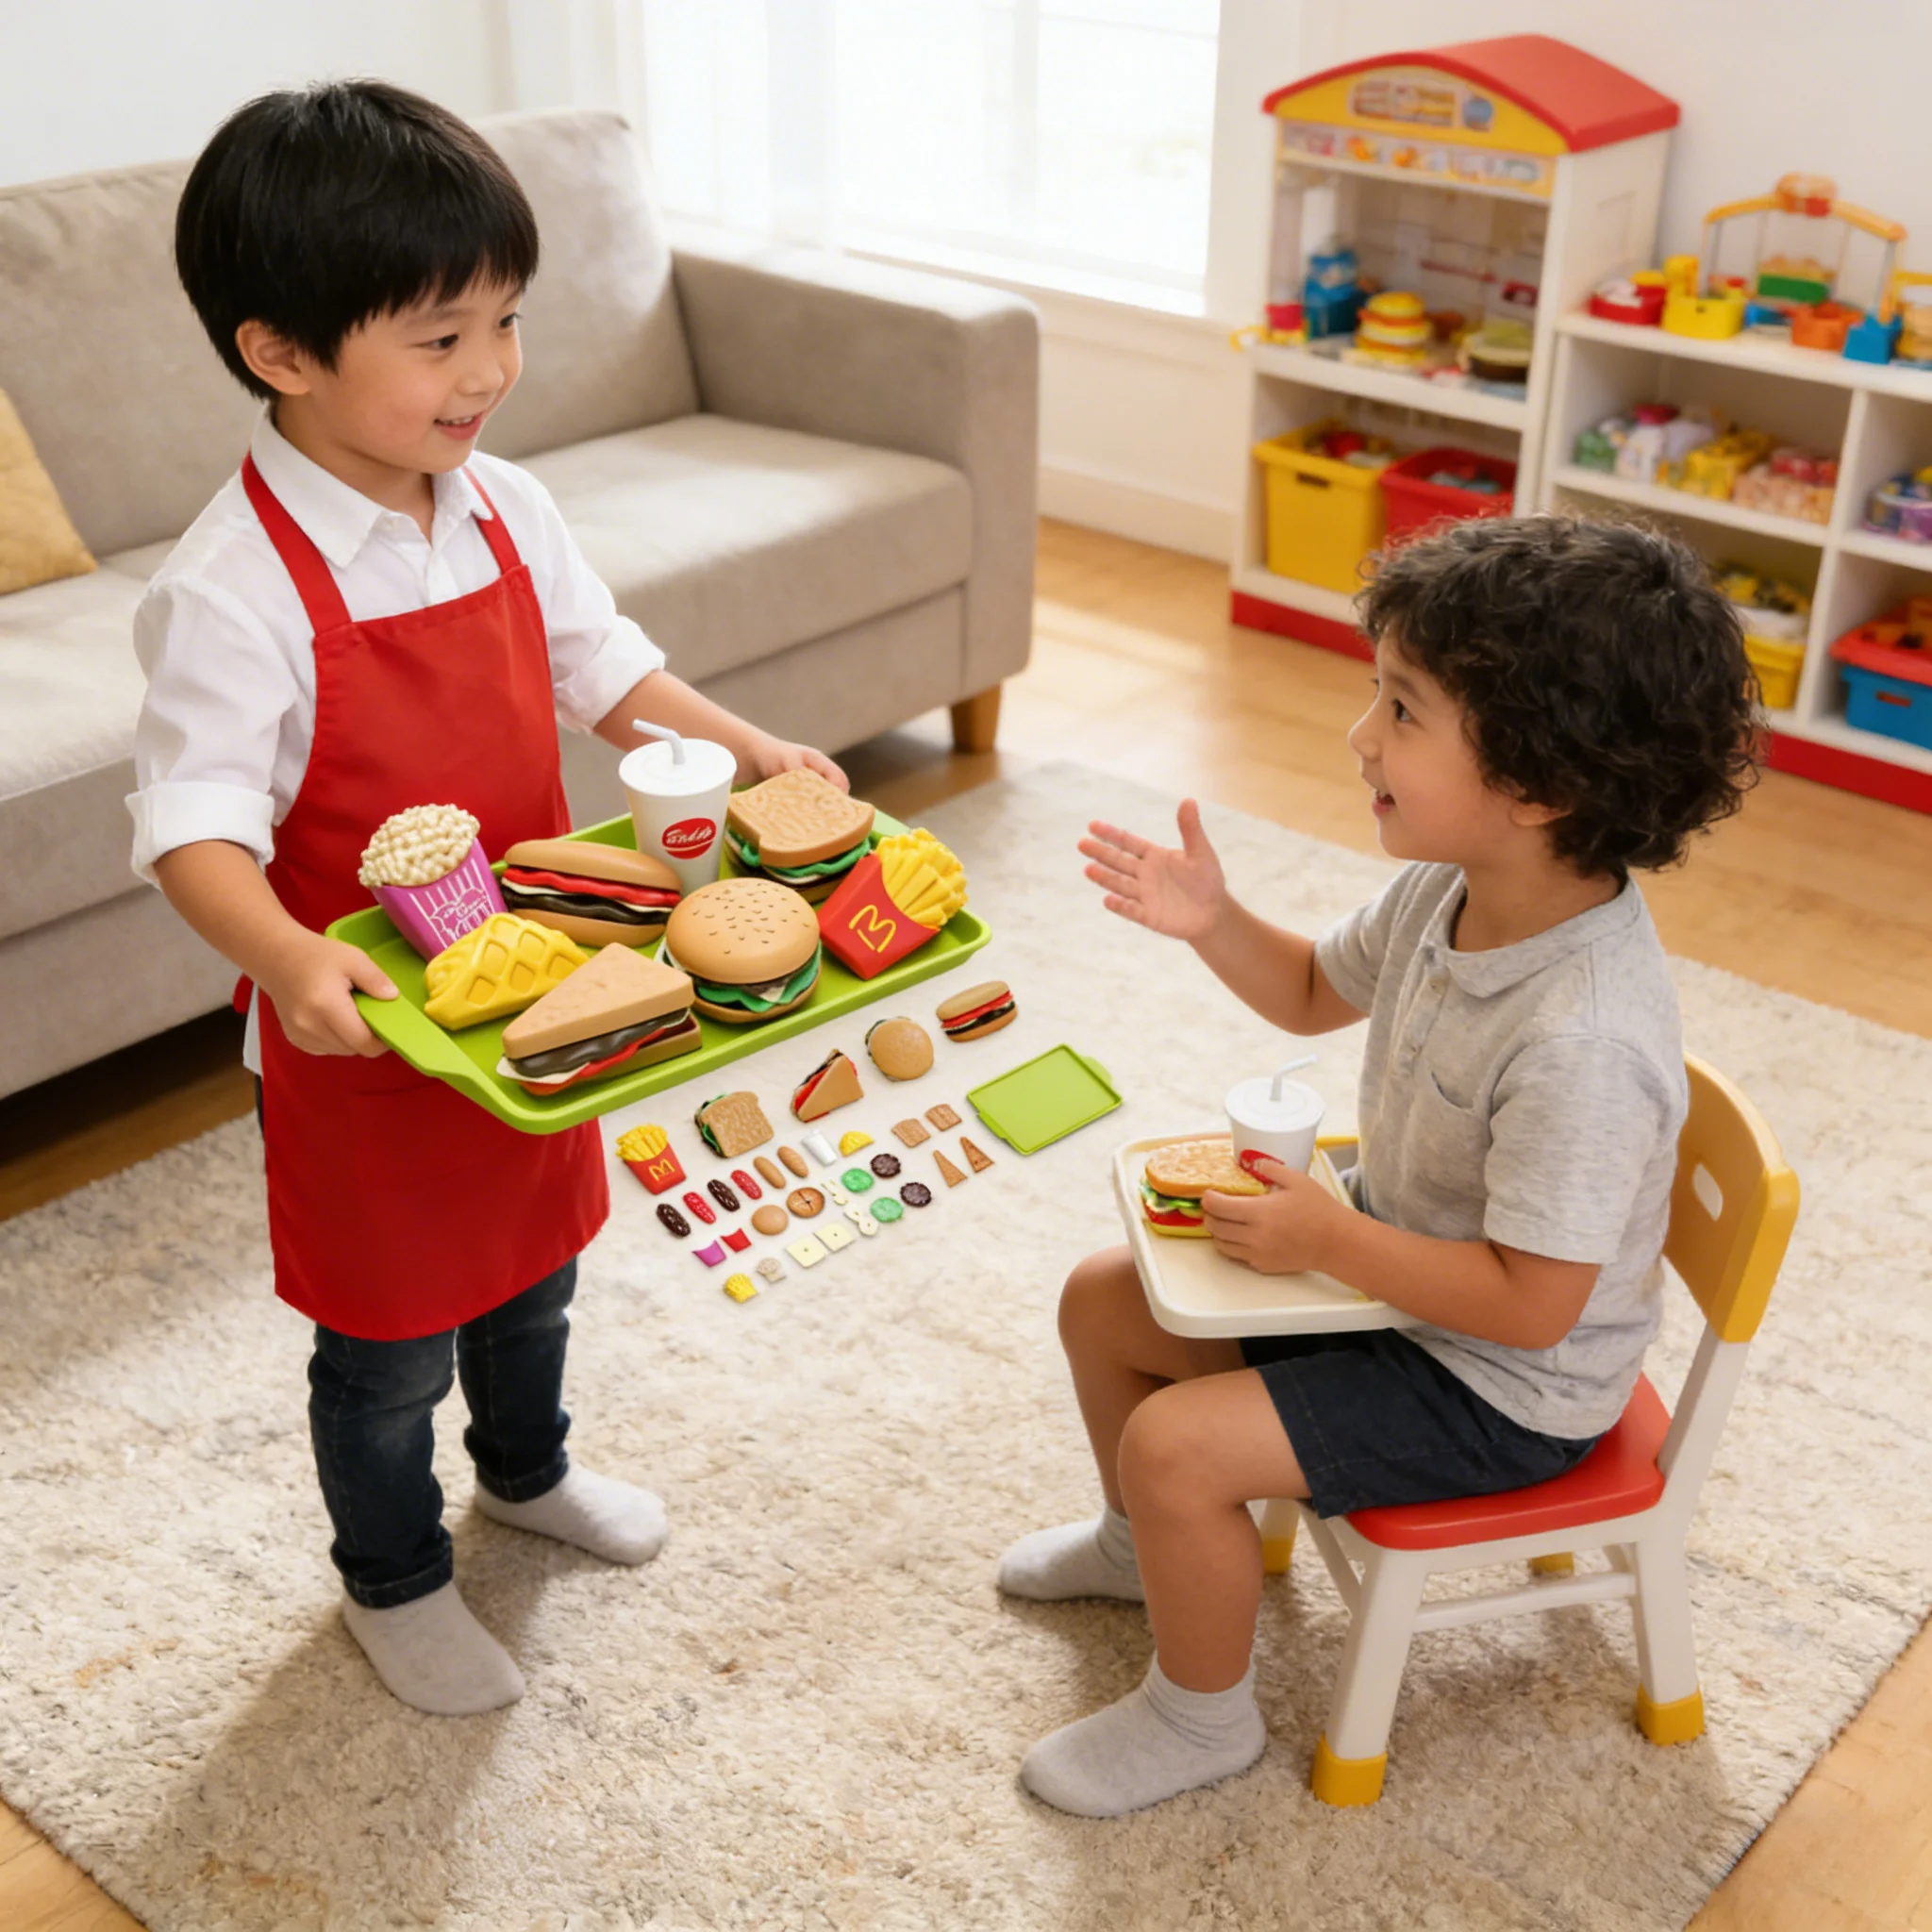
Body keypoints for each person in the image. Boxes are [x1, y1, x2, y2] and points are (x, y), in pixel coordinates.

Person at [130, 80, 845, 1716]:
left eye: (506, 322)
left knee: (537, 1273)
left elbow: (609, 672)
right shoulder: (228, 593)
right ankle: (390, 1575)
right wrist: (291, 961)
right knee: (385, 1350)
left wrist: (752, 756)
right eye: (442, 339)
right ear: (282, 354)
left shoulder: (508, 503)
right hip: (368, 1041)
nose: (494, 372)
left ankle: (526, 1473)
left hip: (549, 990)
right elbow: (191, 832)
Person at [997, 516, 1758, 1815]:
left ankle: (1200, 1720)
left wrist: (1330, 1241)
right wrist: (1213, 921)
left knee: (1179, 1446)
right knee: (1099, 1299)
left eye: (1401, 710)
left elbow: (1533, 1304)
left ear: (1539, 787)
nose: (1360, 737)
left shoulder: (1585, 1035)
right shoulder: (1450, 887)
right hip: (1399, 1290)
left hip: (1503, 1386)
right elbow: (1304, 989)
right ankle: (1144, 1555)